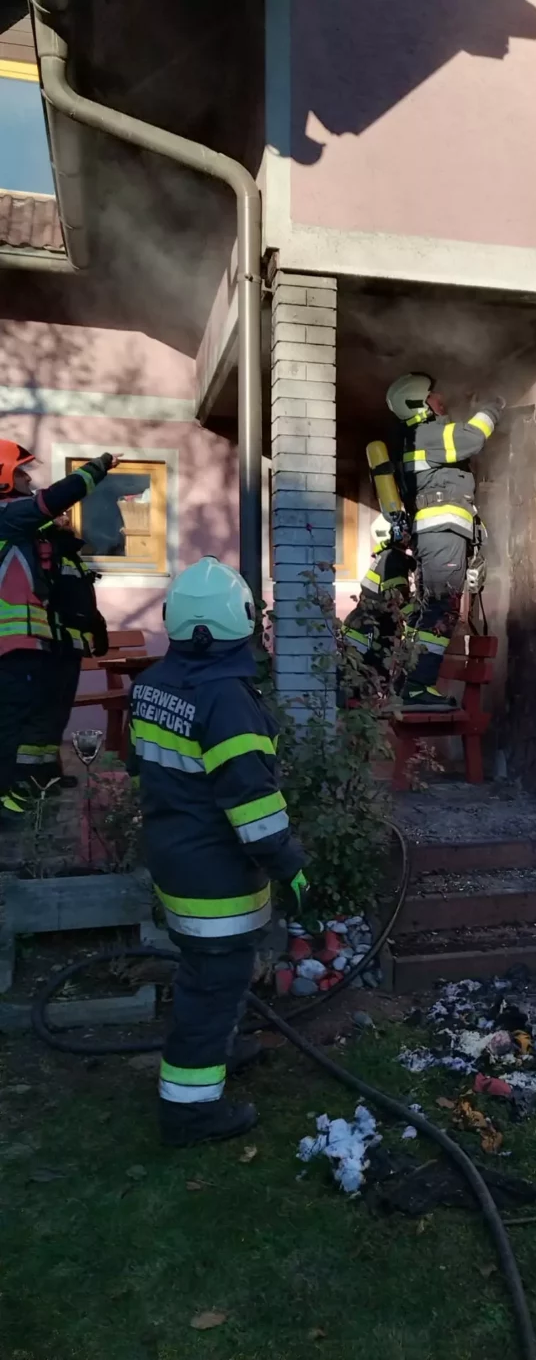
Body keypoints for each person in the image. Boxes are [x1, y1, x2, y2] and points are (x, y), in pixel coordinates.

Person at [127, 557, 307, 1147]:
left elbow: (146, 768)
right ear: (244, 622)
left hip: (175, 858)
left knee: (203, 972)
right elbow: (252, 806)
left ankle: (220, 1047)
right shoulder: (227, 699)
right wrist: (290, 865)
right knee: (212, 986)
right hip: (216, 879)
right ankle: (191, 1111)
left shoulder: (152, 686)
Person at [0, 441, 117, 814]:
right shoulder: (6, 514)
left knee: (35, 719)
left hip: (33, 646)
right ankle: (8, 801)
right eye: (20, 471)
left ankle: (35, 783)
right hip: (12, 648)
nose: (27, 477)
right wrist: (99, 467)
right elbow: (53, 498)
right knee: (14, 724)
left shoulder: (16, 523)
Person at [385, 373, 502, 710]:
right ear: (418, 403)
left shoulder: (416, 437)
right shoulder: (427, 433)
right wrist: (492, 407)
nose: (442, 399)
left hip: (436, 538)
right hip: (441, 535)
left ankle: (407, 685)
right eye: (434, 395)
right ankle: (417, 689)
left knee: (432, 610)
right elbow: (473, 438)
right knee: (440, 611)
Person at [339, 513, 413, 689]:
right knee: (372, 679)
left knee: (354, 679)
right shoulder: (394, 559)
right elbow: (396, 598)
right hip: (372, 630)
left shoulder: (384, 555)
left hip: (360, 624)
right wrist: (415, 618)